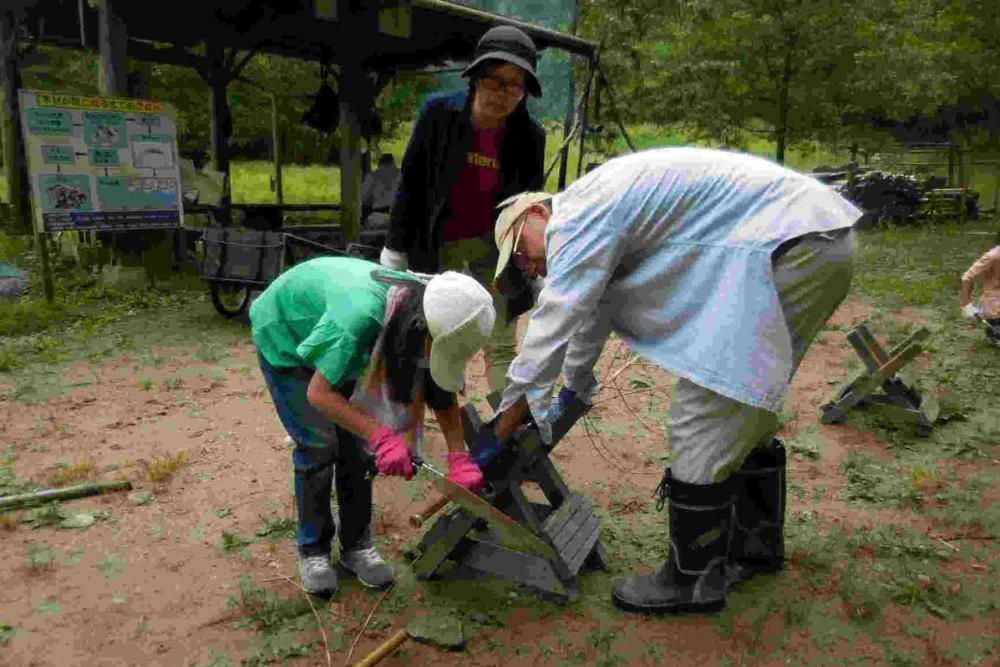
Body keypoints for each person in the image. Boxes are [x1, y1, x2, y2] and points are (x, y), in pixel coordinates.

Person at [483, 147, 861, 615]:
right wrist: (575, 389)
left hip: (790, 244)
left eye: (523, 251)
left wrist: (507, 419)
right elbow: (588, 319)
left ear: (539, 212)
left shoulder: (578, 214)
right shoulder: (600, 219)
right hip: (814, 237)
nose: (531, 266)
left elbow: (554, 323)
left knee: (704, 410)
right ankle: (753, 544)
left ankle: (692, 580)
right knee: (742, 398)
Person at [249, 256, 495, 597]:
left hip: (337, 337)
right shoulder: (361, 317)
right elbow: (319, 394)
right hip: (286, 335)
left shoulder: (433, 311)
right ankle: (314, 551)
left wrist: (458, 455)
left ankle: (356, 546)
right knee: (320, 446)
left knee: (358, 450)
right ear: (420, 330)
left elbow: (440, 387)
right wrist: (381, 436)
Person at [379, 24, 546, 395]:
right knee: (430, 328)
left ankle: (505, 430)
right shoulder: (438, 115)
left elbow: (528, 206)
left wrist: (534, 263)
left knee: (501, 342)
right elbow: (411, 185)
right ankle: (419, 406)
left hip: (495, 248)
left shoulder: (530, 138)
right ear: (476, 75)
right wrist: (395, 249)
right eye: (495, 80)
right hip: (437, 241)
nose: (503, 93)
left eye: (515, 86)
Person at [959, 231, 1000, 344]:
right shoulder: (992, 257)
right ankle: (995, 332)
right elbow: (967, 277)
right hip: (995, 306)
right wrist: (966, 304)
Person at [361, 153, 402, 232]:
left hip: (377, 217)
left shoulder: (372, 176)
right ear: (393, 163)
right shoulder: (401, 175)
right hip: (397, 216)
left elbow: (364, 200)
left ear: (379, 163)